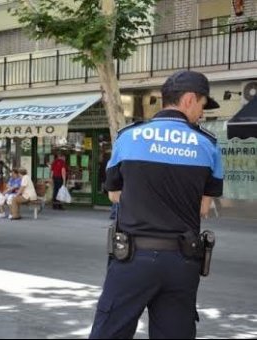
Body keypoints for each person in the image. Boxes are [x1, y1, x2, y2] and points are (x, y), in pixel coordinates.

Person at [89, 70, 223, 339]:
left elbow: (114, 195)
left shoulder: (128, 137)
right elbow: (203, 208)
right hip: (181, 261)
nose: (202, 112)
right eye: (202, 104)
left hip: (132, 259)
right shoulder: (208, 146)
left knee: (110, 332)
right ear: (188, 100)